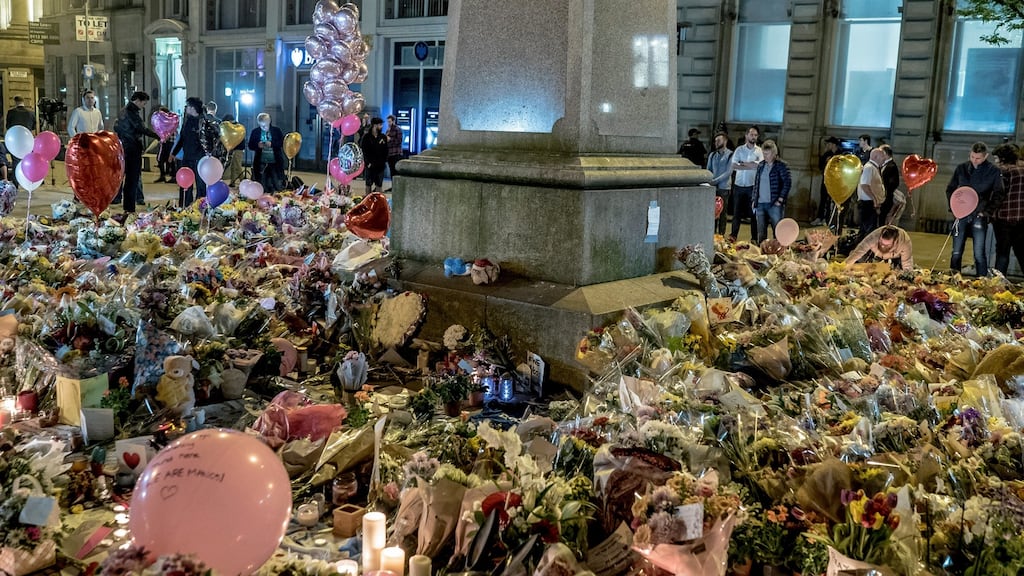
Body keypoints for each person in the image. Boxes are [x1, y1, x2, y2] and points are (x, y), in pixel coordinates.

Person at [946, 141, 1005, 276]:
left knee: (979, 253)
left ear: (985, 156)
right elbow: (950, 189)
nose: (975, 160)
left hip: (979, 214)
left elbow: (999, 193)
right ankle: (954, 278)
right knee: (956, 251)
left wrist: (987, 212)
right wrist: (953, 207)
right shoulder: (961, 168)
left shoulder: (993, 171)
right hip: (960, 214)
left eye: (978, 158)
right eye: (972, 157)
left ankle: (981, 280)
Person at [113, 91, 158, 213]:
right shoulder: (131, 113)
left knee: (127, 179)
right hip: (132, 149)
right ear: (137, 100)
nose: (144, 106)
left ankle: (127, 206)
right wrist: (157, 135)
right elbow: (141, 129)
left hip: (124, 148)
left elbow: (116, 127)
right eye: (144, 103)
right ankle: (129, 208)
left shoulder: (123, 111)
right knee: (132, 180)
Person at [991, 143, 1024, 275]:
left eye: (997, 158)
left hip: (1003, 218)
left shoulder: (1002, 172)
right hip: (1022, 219)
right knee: (1021, 252)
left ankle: (998, 285)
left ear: (1003, 158)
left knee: (1002, 253)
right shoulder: (1022, 169)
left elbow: (997, 195)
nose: (995, 161)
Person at [751, 139, 791, 244]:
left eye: (767, 154)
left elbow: (787, 183)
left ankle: (778, 252)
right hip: (760, 203)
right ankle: (762, 252)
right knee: (761, 232)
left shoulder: (781, 166)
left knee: (777, 231)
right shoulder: (761, 165)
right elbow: (756, 183)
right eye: (763, 154)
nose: (765, 156)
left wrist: (780, 199)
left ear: (774, 153)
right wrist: (754, 200)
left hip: (774, 204)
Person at [171, 97, 208, 206]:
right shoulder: (187, 121)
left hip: (199, 158)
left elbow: (207, 141)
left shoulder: (203, 122)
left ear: (193, 108)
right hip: (187, 157)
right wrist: (173, 153)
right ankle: (185, 206)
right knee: (185, 184)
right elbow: (182, 138)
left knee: (200, 185)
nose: (186, 108)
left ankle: (201, 207)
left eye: (187, 106)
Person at [730, 126, 763, 241]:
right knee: (736, 213)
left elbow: (759, 166)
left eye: (755, 135)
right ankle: (733, 236)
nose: (753, 137)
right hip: (739, 185)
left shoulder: (759, 151)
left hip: (752, 186)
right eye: (751, 134)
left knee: (753, 214)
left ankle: (754, 238)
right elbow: (733, 165)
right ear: (746, 135)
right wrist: (751, 165)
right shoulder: (739, 150)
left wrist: (743, 164)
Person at [845, 225, 914, 271]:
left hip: (895, 256)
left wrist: (907, 276)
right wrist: (844, 266)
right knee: (859, 265)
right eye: (881, 243)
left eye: (887, 245)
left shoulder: (905, 242)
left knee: (897, 271)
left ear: (895, 242)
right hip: (875, 252)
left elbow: (907, 262)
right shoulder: (875, 236)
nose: (883, 246)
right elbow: (859, 251)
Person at [247, 112, 286, 194]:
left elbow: (282, 143)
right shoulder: (255, 132)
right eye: (261, 126)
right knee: (261, 184)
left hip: (275, 161)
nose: (263, 128)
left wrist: (272, 144)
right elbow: (250, 145)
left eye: (264, 126)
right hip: (261, 161)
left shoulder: (276, 131)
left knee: (277, 184)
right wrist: (257, 145)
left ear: (269, 122)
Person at [706, 131, 732, 235]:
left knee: (722, 213)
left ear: (725, 141)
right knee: (713, 213)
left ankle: (721, 235)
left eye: (719, 140)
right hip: (713, 187)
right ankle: (712, 234)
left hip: (724, 188)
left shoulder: (731, 155)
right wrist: (709, 180)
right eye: (715, 141)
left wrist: (714, 181)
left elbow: (728, 172)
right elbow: (708, 169)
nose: (716, 143)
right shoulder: (712, 155)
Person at [856, 148, 886, 239]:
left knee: (868, 231)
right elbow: (864, 185)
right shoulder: (869, 168)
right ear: (876, 157)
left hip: (870, 203)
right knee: (868, 233)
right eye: (882, 157)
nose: (884, 159)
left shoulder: (873, 168)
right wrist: (874, 199)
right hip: (868, 204)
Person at [811, 136, 840, 226]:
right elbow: (820, 167)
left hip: (835, 182)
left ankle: (828, 219)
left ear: (833, 144)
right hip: (825, 180)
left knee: (831, 201)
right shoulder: (826, 154)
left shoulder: (840, 154)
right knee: (823, 199)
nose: (827, 145)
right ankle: (820, 217)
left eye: (829, 144)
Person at [6, 96, 36, 181]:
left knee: (15, 160)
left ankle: (16, 182)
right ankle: (29, 179)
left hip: (15, 139)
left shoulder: (11, 112)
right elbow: (33, 126)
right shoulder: (31, 113)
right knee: (28, 160)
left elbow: (8, 126)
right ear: (24, 102)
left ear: (15, 102)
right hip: (27, 140)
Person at [360, 116, 389, 194]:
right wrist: (367, 162)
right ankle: (368, 200)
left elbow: (386, 150)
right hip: (370, 164)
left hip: (380, 165)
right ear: (375, 125)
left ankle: (378, 202)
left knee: (379, 184)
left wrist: (384, 161)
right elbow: (364, 151)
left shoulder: (383, 137)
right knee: (368, 183)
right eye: (380, 125)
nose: (381, 127)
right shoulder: (366, 137)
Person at [220, 113, 245, 187]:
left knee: (237, 165)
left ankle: (243, 180)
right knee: (233, 166)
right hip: (233, 149)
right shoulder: (237, 127)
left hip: (238, 149)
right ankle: (233, 181)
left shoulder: (238, 128)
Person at [878, 144, 900, 225]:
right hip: (882, 197)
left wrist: (884, 193)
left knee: (882, 220)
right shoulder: (883, 164)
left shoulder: (892, 166)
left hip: (886, 198)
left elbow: (894, 183)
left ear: (885, 153)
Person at [153, 106, 176, 183]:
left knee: (168, 159)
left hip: (169, 141)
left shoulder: (169, 120)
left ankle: (172, 176)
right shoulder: (165, 120)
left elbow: (170, 130)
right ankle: (164, 175)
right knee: (162, 159)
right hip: (167, 142)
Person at [385, 114, 404, 186]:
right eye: (388, 122)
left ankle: (396, 186)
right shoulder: (388, 131)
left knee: (395, 171)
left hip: (396, 153)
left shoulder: (397, 129)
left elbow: (399, 141)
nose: (388, 123)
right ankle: (393, 185)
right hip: (390, 153)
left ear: (393, 121)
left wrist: (390, 139)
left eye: (389, 122)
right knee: (391, 171)